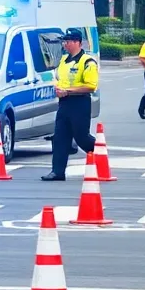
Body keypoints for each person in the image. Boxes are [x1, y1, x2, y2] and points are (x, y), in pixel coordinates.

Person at [41, 29, 97, 181]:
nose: (65, 44)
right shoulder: (64, 61)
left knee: (81, 137)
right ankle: (57, 172)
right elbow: (58, 79)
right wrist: (58, 89)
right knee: (60, 138)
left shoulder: (87, 62)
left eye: (68, 41)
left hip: (80, 103)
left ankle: (100, 152)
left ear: (78, 42)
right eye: (64, 41)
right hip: (64, 103)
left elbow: (91, 86)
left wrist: (68, 90)